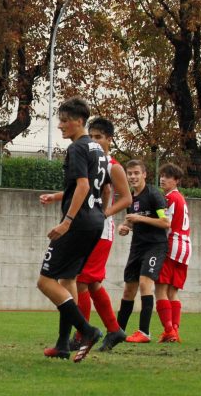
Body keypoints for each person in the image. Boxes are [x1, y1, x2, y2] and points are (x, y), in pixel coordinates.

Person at [37, 97, 105, 362]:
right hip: (95, 220)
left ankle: (86, 331)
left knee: (45, 281)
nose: (61, 126)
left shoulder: (77, 148)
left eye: (65, 121)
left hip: (78, 223)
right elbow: (100, 187)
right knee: (67, 281)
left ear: (79, 121)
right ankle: (63, 344)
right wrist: (57, 197)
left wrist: (67, 221)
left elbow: (84, 187)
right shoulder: (98, 149)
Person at [70, 118, 132, 352]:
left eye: (98, 137)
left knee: (82, 280)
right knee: (92, 283)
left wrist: (103, 214)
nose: (94, 141)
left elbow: (126, 198)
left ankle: (81, 334)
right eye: (92, 136)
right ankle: (114, 330)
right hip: (90, 227)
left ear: (109, 139)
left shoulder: (113, 165)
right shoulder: (92, 162)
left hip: (100, 230)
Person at [117, 159, 170, 343]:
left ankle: (144, 332)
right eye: (129, 173)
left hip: (155, 246)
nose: (132, 177)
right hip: (137, 248)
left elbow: (165, 222)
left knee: (145, 283)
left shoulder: (154, 194)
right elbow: (132, 221)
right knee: (128, 290)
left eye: (136, 173)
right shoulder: (132, 198)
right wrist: (125, 227)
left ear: (144, 174)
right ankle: (118, 331)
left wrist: (139, 220)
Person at [155, 163, 191, 342]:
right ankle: (174, 330)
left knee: (160, 288)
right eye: (162, 175)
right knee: (173, 291)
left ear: (176, 181)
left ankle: (169, 330)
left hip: (172, 244)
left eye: (168, 176)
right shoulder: (181, 198)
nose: (163, 179)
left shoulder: (169, 198)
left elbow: (165, 224)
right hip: (185, 246)